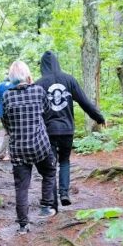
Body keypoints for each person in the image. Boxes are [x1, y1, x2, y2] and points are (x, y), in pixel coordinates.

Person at [35, 51, 106, 206]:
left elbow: (33, 109)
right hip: (67, 129)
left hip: (48, 131)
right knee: (65, 161)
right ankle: (64, 193)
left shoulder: (39, 84)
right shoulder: (69, 80)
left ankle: (51, 201)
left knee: (50, 165)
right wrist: (99, 117)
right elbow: (84, 102)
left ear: (43, 65)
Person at [1, 61, 57, 234]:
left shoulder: (7, 96)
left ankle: (23, 226)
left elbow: (6, 123)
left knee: (21, 187)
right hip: (39, 145)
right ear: (27, 74)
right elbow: (47, 112)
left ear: (11, 77)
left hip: (18, 149)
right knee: (49, 172)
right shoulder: (38, 91)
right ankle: (46, 206)